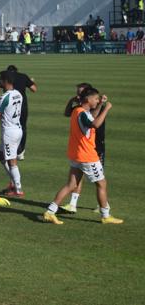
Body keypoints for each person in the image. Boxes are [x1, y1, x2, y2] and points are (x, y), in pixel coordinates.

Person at [43, 88, 122, 225]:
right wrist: (106, 109)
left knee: (71, 185)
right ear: (88, 100)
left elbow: (92, 117)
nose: (97, 100)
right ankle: (105, 215)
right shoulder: (82, 114)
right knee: (101, 184)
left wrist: (100, 105)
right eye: (96, 99)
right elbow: (96, 124)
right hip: (87, 156)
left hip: (76, 155)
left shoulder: (78, 111)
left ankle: (50, 212)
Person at [60, 83, 106, 213]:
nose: (77, 96)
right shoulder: (81, 108)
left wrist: (101, 105)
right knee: (83, 179)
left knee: (99, 179)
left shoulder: (91, 107)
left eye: (80, 93)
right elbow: (67, 113)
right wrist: (71, 100)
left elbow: (95, 123)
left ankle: (102, 206)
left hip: (94, 146)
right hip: (85, 149)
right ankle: (73, 205)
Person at [0, 65, 37, 159]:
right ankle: (20, 152)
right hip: (22, 106)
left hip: (8, 107)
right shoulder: (23, 76)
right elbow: (34, 89)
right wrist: (32, 81)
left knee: (8, 127)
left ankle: (9, 149)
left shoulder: (5, 77)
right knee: (22, 127)